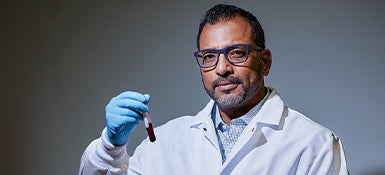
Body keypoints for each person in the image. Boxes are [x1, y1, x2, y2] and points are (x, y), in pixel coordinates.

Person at [79, 4, 348, 175]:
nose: (222, 68)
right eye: (209, 56)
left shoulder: (315, 145)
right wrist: (111, 146)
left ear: (264, 61)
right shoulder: (164, 142)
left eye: (236, 53)